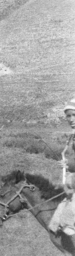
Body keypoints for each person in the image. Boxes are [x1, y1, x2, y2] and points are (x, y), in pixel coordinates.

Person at [49, 97, 75, 237]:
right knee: (56, 220)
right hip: (72, 181)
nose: (71, 119)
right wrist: (66, 163)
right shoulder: (72, 137)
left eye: (74, 115)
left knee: (68, 221)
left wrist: (68, 164)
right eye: (68, 116)